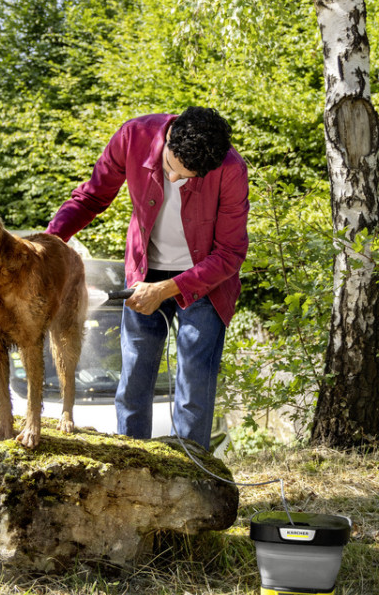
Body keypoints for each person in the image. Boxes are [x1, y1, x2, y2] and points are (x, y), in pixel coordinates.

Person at [47, 107, 248, 450]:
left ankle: (188, 469)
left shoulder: (230, 168)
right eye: (170, 168)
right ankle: (130, 460)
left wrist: (168, 289)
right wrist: (49, 243)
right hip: (143, 273)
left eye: (186, 177)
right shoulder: (133, 136)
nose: (174, 179)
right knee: (134, 380)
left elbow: (230, 253)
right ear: (167, 140)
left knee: (194, 387)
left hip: (206, 284)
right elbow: (91, 197)